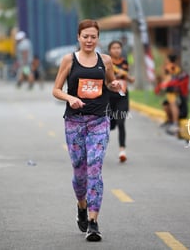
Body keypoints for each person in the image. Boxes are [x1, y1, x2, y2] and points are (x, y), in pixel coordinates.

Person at [52, 19, 121, 242]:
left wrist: (116, 85)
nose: (89, 40)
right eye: (85, 36)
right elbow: (55, 89)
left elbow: (110, 83)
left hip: (99, 121)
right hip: (74, 122)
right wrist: (70, 98)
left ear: (98, 38)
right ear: (78, 38)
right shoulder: (69, 60)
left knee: (94, 167)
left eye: (93, 37)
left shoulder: (106, 60)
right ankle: (81, 205)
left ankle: (93, 221)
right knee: (79, 170)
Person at [107, 40, 135, 163]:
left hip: (122, 96)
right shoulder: (106, 62)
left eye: (118, 48)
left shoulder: (124, 62)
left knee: (121, 122)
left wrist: (127, 77)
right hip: (109, 97)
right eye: (114, 48)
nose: (117, 50)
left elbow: (126, 76)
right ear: (110, 50)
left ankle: (122, 150)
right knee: (111, 125)